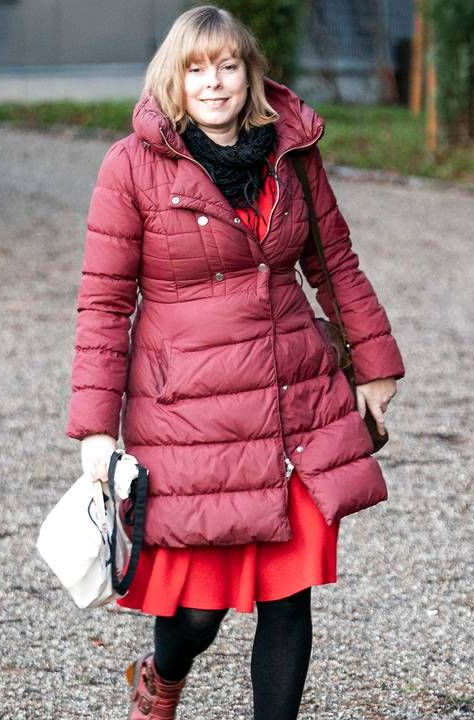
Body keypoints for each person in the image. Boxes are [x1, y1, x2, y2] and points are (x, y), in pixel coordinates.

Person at [66, 5, 405, 719]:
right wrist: (96, 432)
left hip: (290, 403)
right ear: (175, 79)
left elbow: (334, 261)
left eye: (227, 66)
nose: (214, 83)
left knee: (287, 596)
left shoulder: (292, 153)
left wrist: (375, 365)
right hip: (193, 413)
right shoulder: (132, 166)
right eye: (196, 69)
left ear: (250, 73)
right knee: (197, 612)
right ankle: (160, 680)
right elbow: (103, 303)